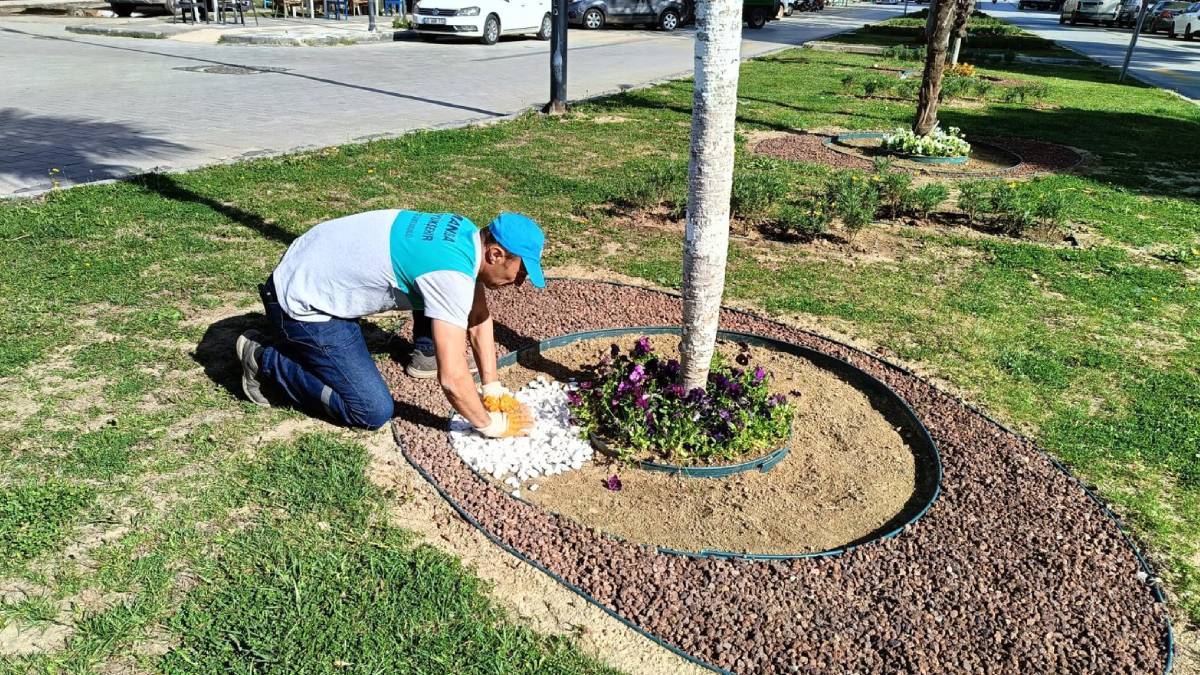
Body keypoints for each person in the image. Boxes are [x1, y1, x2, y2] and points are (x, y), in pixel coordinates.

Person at [235, 209, 542, 437]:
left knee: (439, 293)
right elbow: (452, 379)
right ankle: (263, 359)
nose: (519, 283)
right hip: (299, 303)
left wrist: (492, 387)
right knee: (370, 410)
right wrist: (491, 426)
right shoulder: (451, 276)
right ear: (495, 253)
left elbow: (477, 319)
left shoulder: (465, 233)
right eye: (521, 272)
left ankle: (423, 351)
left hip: (311, 260)